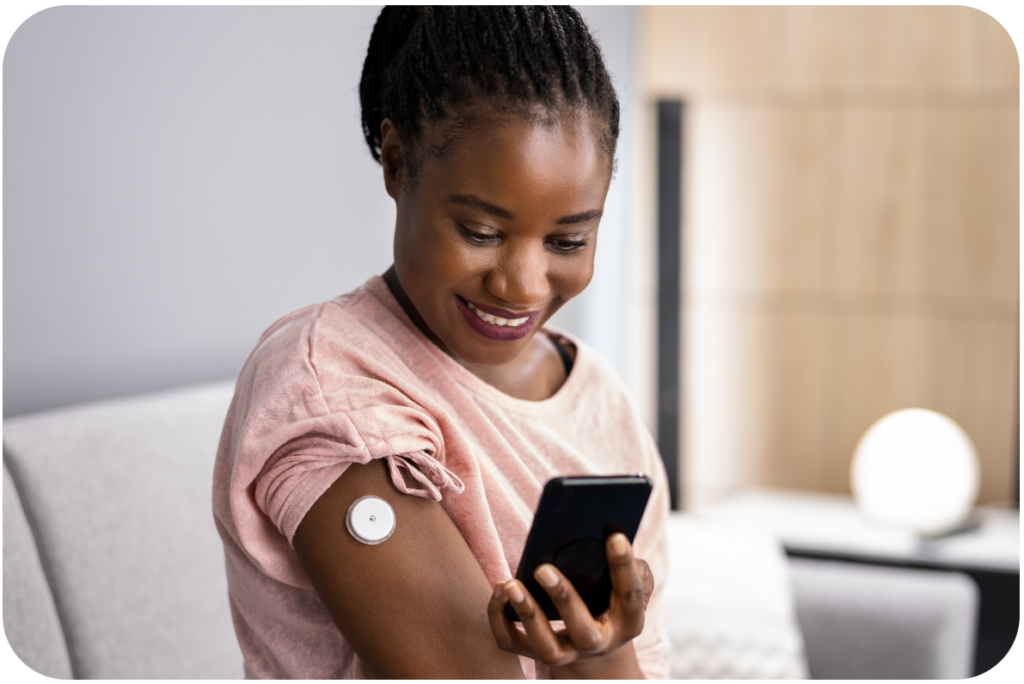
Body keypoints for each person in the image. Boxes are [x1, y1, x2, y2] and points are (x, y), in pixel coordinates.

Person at [213, 6, 670, 679]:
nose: (522, 285)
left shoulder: (599, 396)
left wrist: (603, 656)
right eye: (482, 232)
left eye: (568, 240)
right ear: (397, 164)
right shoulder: (330, 386)